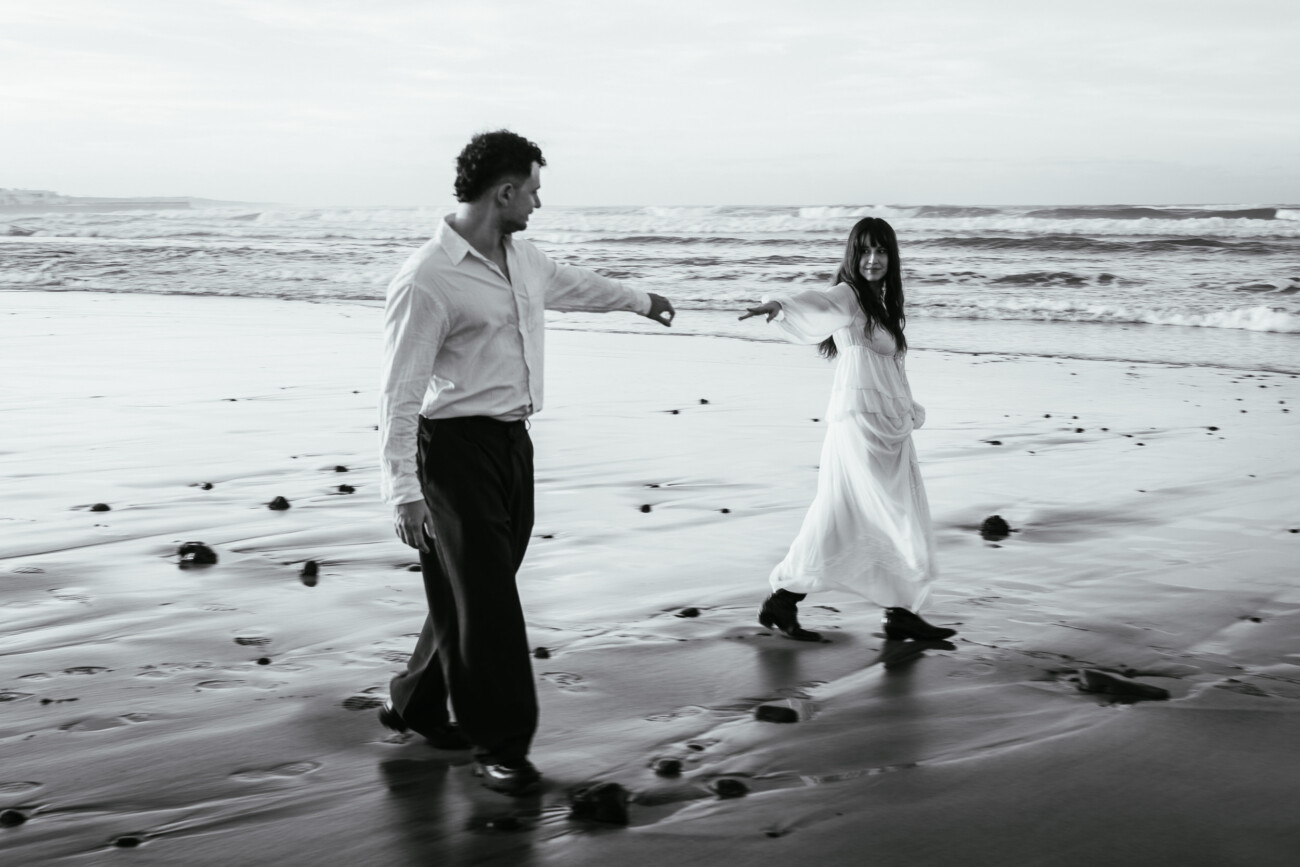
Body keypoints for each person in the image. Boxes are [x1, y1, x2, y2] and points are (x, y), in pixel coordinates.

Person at [378, 130, 676, 796]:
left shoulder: (524, 258)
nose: (539, 201)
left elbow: (576, 286)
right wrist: (403, 489)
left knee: (476, 585)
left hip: (513, 445)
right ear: (504, 191)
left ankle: (414, 702)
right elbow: (398, 392)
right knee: (488, 600)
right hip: (452, 452)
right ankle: (502, 743)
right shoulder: (427, 278)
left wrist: (642, 300)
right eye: (534, 189)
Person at [739, 217, 955, 645]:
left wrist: (908, 410)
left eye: (881, 251)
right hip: (860, 425)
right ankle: (897, 611)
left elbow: (892, 368)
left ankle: (789, 600)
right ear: (853, 255)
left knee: (845, 510)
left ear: (892, 257)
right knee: (892, 511)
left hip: (887, 424)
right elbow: (818, 302)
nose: (872, 260)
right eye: (864, 251)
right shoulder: (850, 296)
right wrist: (779, 305)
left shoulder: (884, 304)